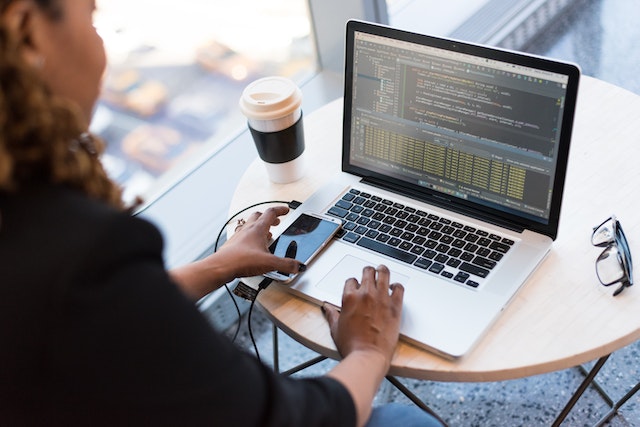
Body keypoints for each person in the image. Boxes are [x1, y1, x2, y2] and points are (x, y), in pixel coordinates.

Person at [0, 1, 443, 426]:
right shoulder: (81, 250)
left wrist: (218, 265)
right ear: (27, 33)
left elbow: (95, 313)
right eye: (91, 16)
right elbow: (292, 418)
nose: (100, 45)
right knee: (408, 421)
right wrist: (367, 351)